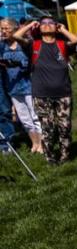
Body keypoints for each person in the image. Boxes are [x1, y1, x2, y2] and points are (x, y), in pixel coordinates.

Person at [13, 18, 77, 165]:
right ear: (39, 28)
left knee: (65, 127)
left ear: (56, 27)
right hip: (41, 95)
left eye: (51, 23)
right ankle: (50, 158)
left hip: (64, 93)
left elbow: (75, 40)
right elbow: (16, 36)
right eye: (43, 23)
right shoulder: (33, 45)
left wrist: (62, 29)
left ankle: (65, 157)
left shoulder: (62, 45)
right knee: (47, 128)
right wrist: (30, 25)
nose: (47, 25)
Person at [1, 18, 42, 153]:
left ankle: (41, 143)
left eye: (6, 28)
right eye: (1, 28)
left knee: (35, 115)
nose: (4, 31)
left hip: (28, 84)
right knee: (24, 118)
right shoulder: (2, 46)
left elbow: (18, 37)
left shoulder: (24, 43)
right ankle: (34, 143)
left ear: (15, 28)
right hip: (12, 86)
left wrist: (29, 25)